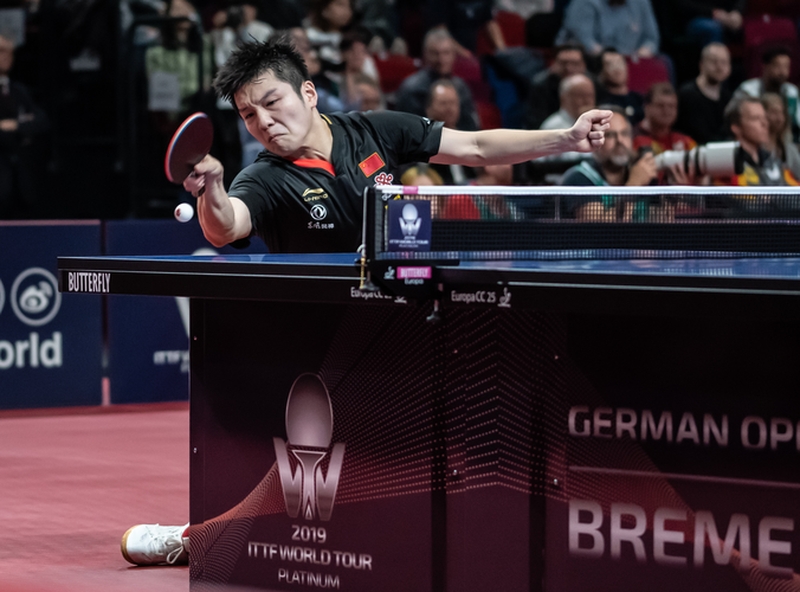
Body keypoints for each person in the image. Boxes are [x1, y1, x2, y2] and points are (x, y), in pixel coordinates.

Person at [119, 36, 610, 564]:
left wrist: (569, 138)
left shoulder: (373, 130)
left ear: (308, 93)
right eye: (247, 114)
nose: (261, 121)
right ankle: (194, 539)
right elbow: (227, 227)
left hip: (412, 326)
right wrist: (211, 189)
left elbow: (474, 148)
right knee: (310, 482)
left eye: (271, 101)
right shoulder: (263, 177)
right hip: (329, 352)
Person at [559, 105, 669, 221]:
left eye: (625, 134)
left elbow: (660, 228)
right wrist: (634, 185)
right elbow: (596, 232)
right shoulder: (578, 178)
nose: (620, 141)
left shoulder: (641, 173)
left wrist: (672, 190)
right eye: (610, 135)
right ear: (593, 140)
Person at [0, 32, 49, 218]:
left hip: (22, 178)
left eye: (10, 52)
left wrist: (15, 126)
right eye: (1, 51)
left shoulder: (19, 90)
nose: (6, 56)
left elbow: (42, 121)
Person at [393, 27, 480, 131]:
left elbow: (470, 126)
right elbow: (403, 130)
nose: (441, 59)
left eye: (446, 53)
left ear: (453, 55)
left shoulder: (462, 88)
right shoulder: (411, 89)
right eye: (435, 53)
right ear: (425, 54)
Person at [718, 95, 799, 187]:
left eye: (764, 118)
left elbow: (794, 190)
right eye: (756, 118)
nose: (765, 124)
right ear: (736, 127)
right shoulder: (725, 165)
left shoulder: (771, 160)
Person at [733, 46, 800, 143]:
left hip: (787, 143)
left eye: (786, 66)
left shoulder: (791, 92)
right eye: (777, 66)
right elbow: (734, 119)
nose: (782, 71)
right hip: (754, 141)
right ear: (765, 66)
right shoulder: (748, 90)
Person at [555, 0, 660, 59]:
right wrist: (610, 58)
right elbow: (584, 41)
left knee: (665, 62)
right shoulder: (584, 2)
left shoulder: (641, 3)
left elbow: (651, 39)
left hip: (630, 60)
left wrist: (641, 53)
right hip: (592, 60)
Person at [675, 42, 732, 145]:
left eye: (724, 62)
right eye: (714, 62)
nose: (719, 67)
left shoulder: (728, 98)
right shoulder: (686, 95)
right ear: (701, 64)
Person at [524, 43, 589, 131]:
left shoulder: (593, 83)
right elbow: (536, 122)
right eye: (563, 63)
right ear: (553, 64)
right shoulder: (541, 85)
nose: (568, 68)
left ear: (584, 65)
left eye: (574, 63)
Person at [595, 48, 644, 126]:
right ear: (601, 72)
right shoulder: (600, 103)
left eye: (619, 63)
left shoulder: (640, 100)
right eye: (610, 65)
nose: (617, 69)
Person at [761, 92, 800, 182]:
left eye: (781, 112)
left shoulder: (789, 150)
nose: (779, 118)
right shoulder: (753, 148)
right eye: (774, 112)